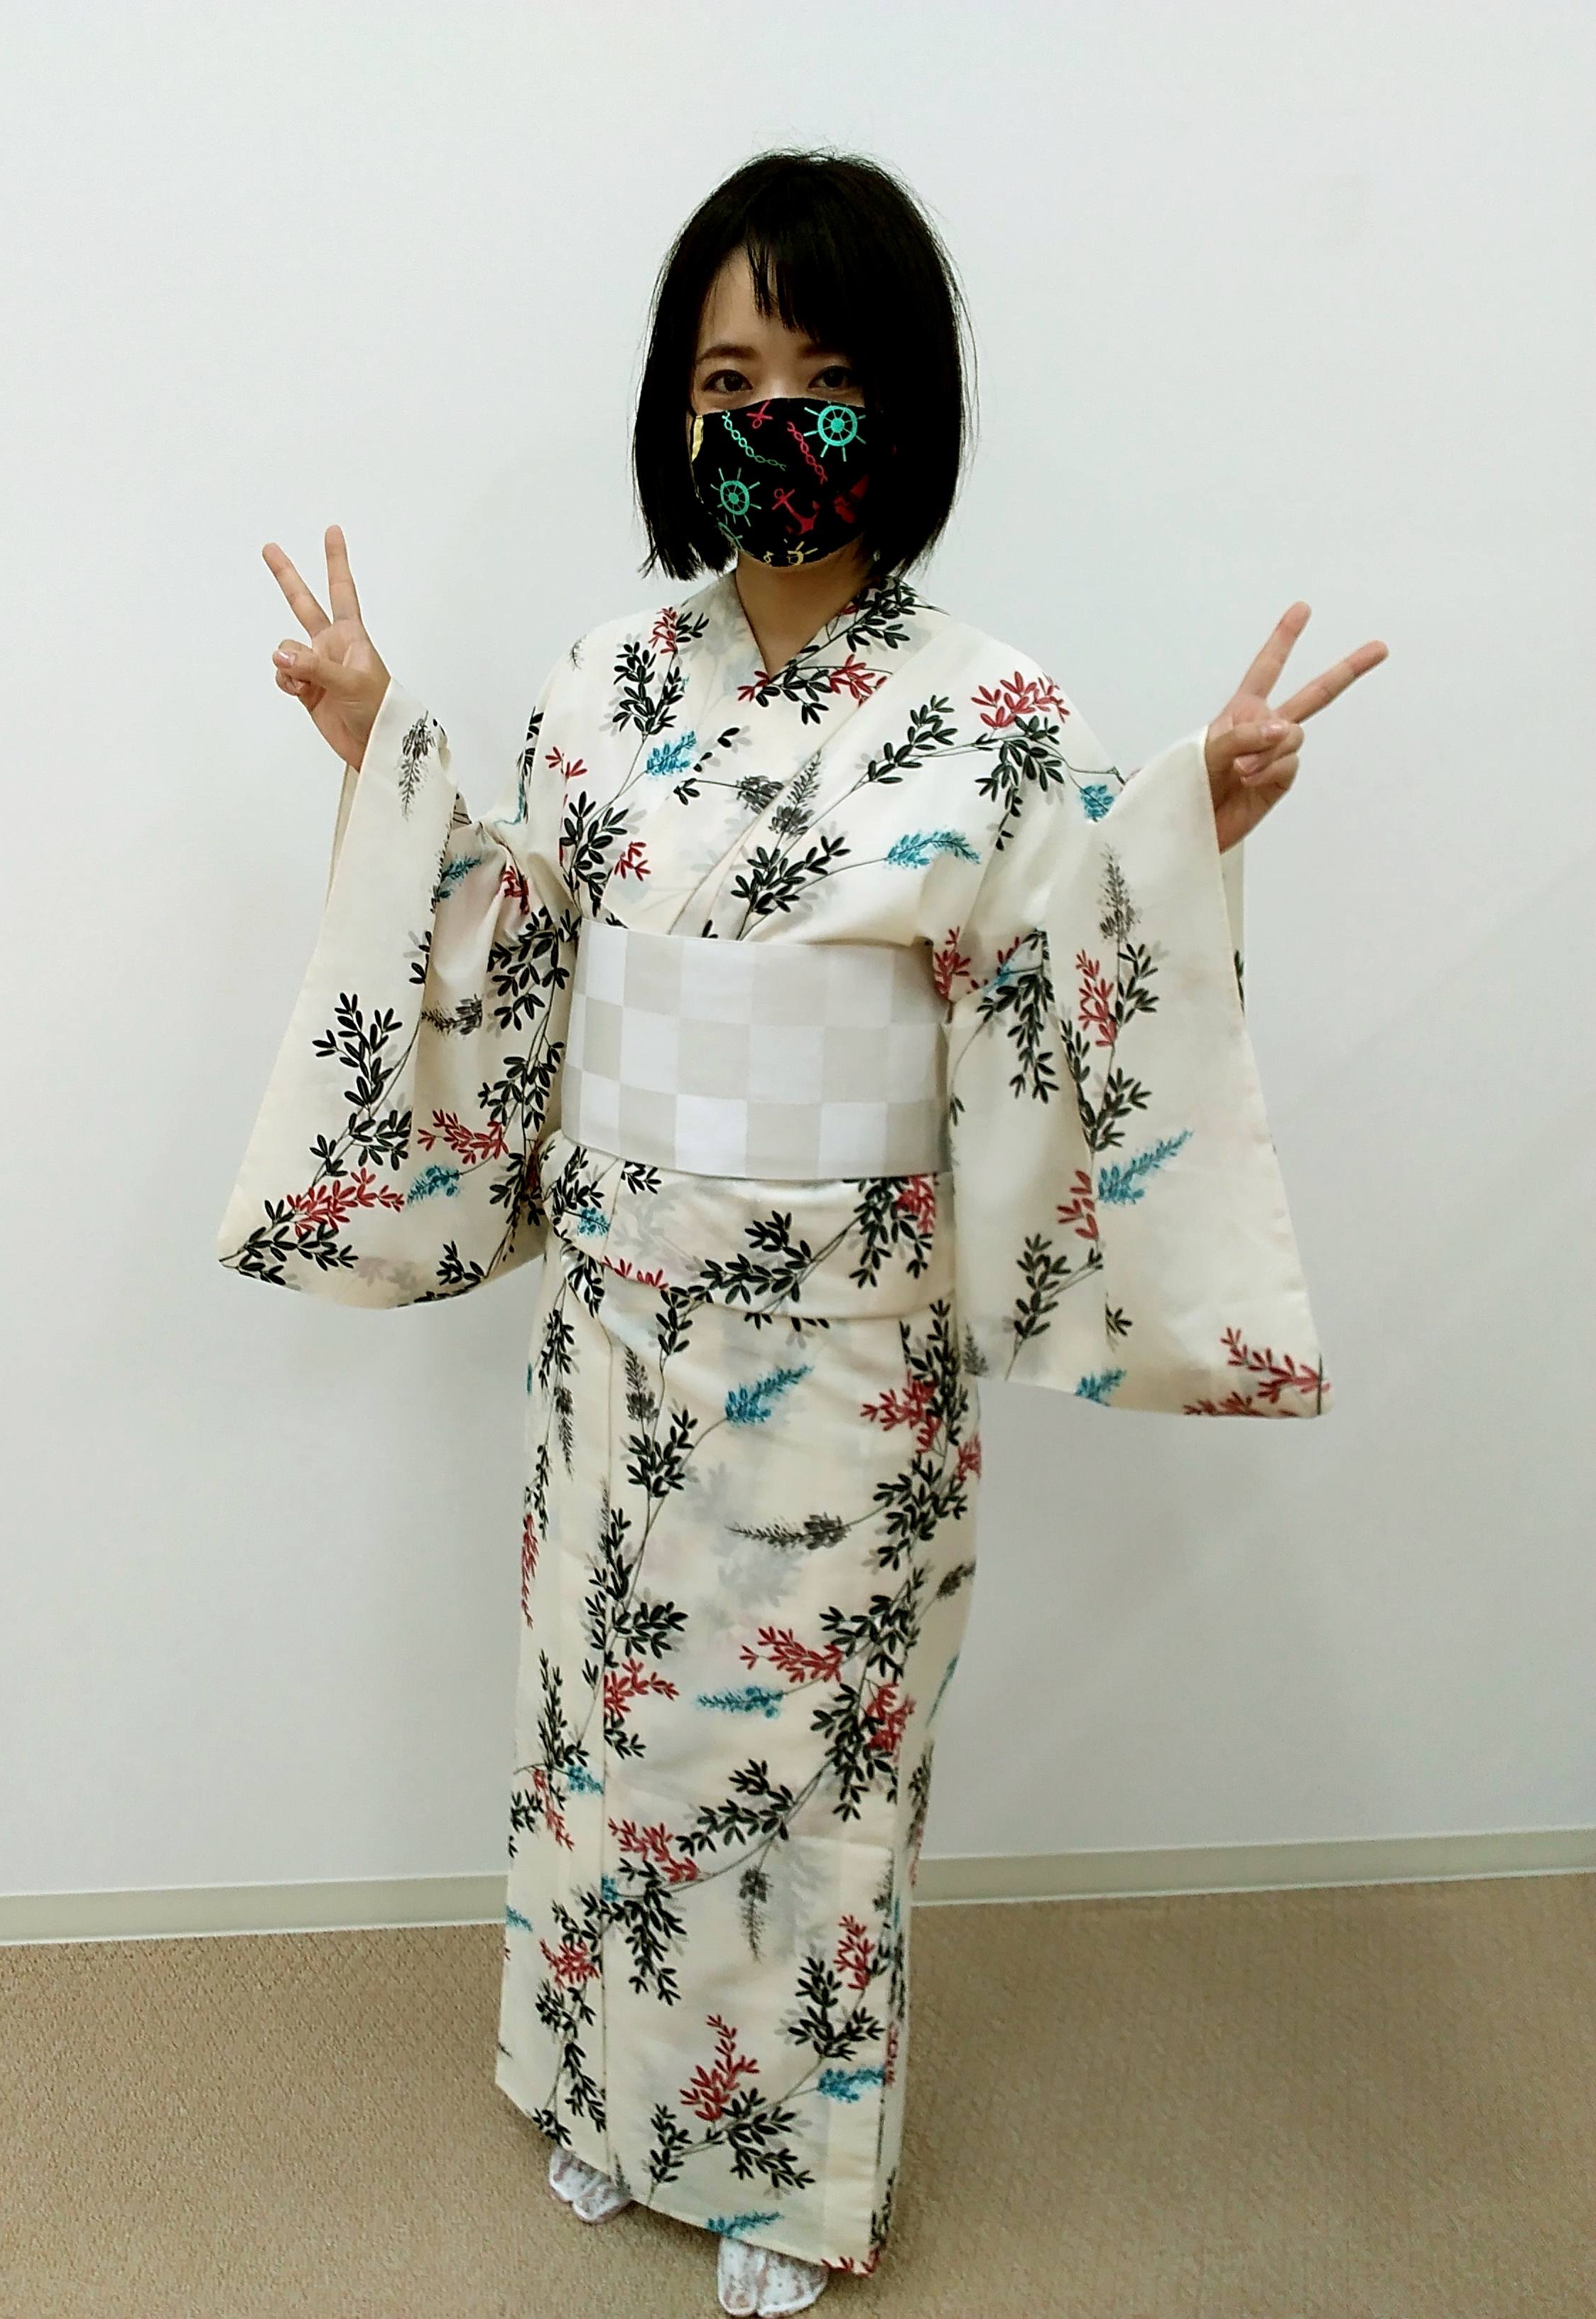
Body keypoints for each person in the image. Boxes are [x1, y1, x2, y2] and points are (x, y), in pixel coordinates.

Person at [218, 151, 1385, 2317]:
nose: (772, 420)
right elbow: (516, 945)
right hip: (624, 1322)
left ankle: (775, 2176)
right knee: (604, 1721)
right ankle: (602, 2095)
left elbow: (1067, 977)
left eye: (822, 376)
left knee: (801, 1762)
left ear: (903, 405)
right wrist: (380, 741)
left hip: (853, 1341)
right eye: (726, 379)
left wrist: (1191, 824)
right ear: (676, 412)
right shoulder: (602, 683)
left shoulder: (996, 713)